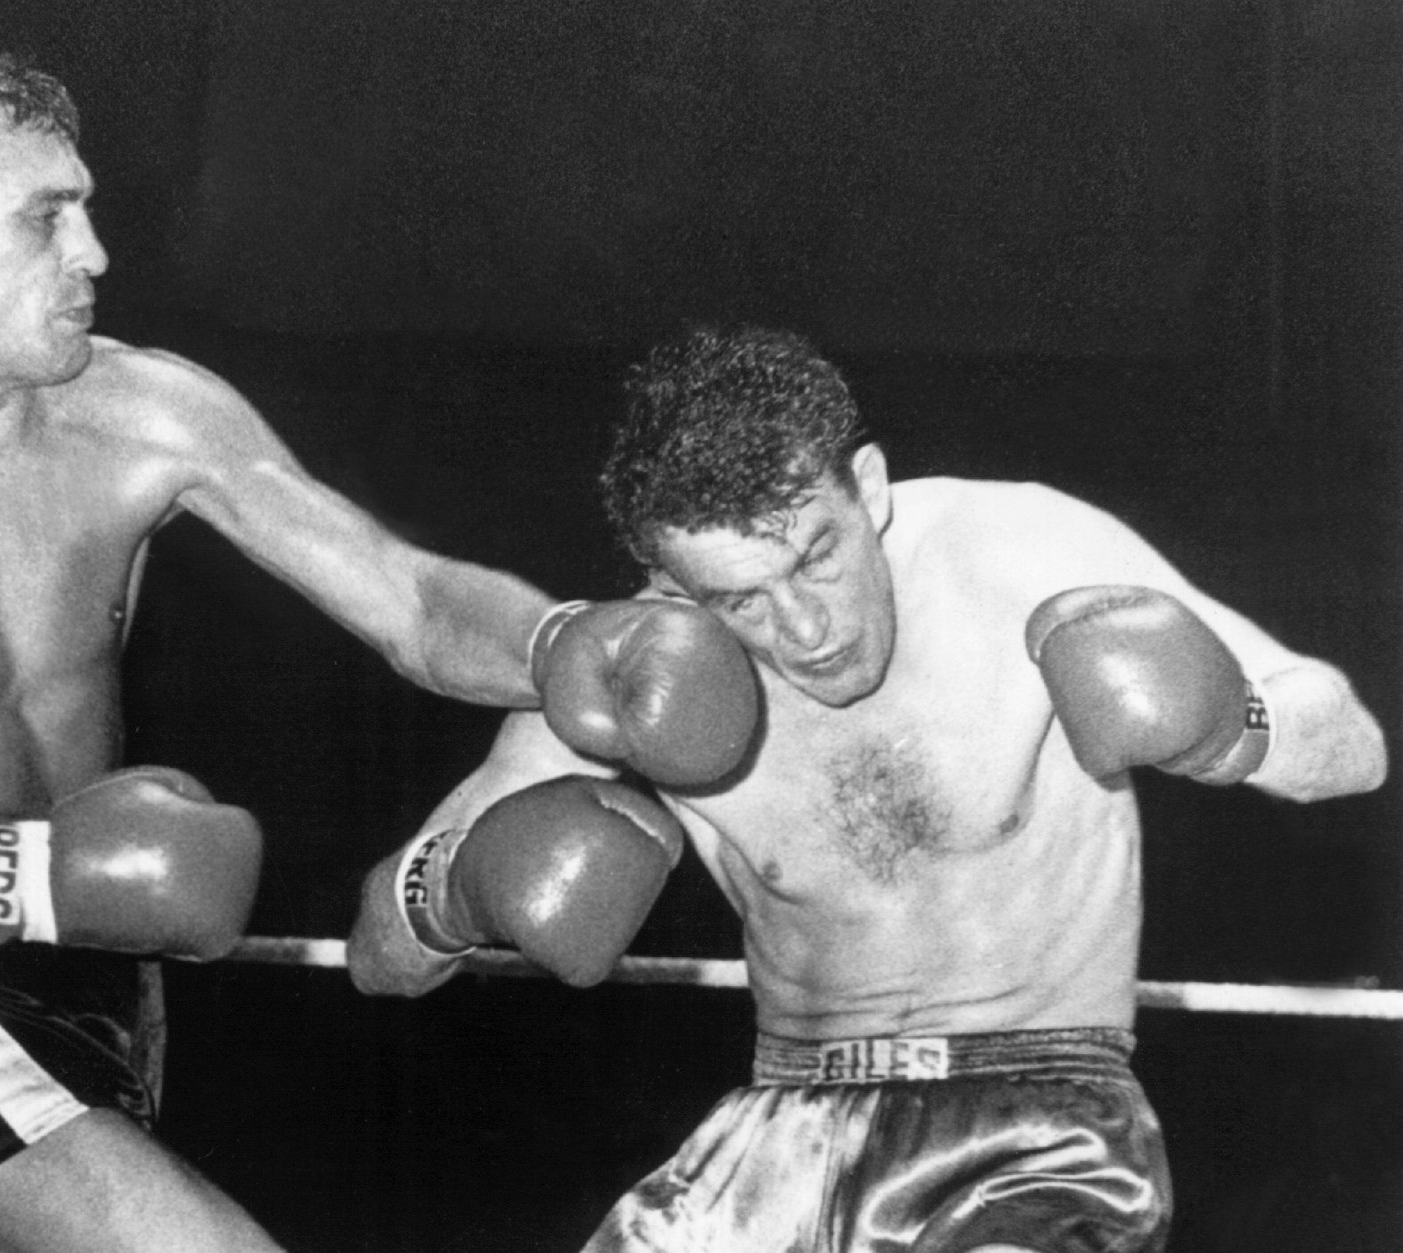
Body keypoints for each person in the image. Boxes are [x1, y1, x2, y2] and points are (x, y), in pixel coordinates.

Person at [0, 17, 759, 1253]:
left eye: (87, 211)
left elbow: (410, 599)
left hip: (110, 972)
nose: (95, 253)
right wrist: (38, 875)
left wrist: (557, 641)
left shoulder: (145, 411)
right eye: (43, 218)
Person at [346, 325, 1388, 1253]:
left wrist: (1227, 725)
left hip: (1034, 1133)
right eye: (740, 599)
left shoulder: (1018, 551)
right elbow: (375, 959)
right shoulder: (627, 671)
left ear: (870, 487)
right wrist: (456, 888)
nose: (803, 627)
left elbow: (1348, 745)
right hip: (771, 1135)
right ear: (669, 584)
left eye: (816, 557)